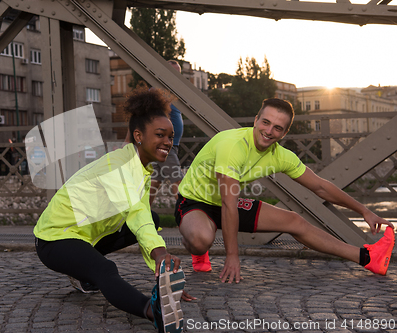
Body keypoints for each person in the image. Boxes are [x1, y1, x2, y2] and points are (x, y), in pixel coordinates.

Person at [175, 98, 395, 283]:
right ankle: (199, 251)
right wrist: (232, 256)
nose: (269, 131)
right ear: (256, 120)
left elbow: (320, 186)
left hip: (226, 202)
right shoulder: (233, 146)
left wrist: (364, 211)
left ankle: (367, 257)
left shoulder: (281, 156)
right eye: (266, 122)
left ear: (284, 133)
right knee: (202, 238)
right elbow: (228, 204)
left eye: (277, 128)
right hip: (194, 202)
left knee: (295, 221)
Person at [34, 87, 193, 333]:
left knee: (152, 216)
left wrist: (163, 274)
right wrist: (160, 254)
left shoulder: (141, 168)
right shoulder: (120, 165)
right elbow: (136, 217)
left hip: (85, 236)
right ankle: (152, 312)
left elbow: (142, 217)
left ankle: (82, 271)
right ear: (138, 135)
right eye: (160, 135)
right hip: (55, 238)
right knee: (106, 270)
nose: (167, 143)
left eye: (171, 136)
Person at [149, 60, 185, 204]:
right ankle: (186, 214)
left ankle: (144, 215)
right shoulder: (157, 91)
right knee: (178, 181)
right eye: (172, 72)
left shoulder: (176, 92)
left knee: (155, 181)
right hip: (165, 144)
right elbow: (142, 114)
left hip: (171, 144)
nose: (175, 76)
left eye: (178, 73)